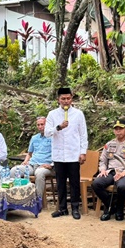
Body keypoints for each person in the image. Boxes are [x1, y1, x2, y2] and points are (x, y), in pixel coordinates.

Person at [44, 87, 88, 219]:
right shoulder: (52, 114)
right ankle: (62, 208)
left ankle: (75, 207)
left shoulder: (78, 114)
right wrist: (59, 127)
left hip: (73, 154)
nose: (66, 101)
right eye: (63, 98)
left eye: (68, 98)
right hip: (58, 155)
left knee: (74, 183)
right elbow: (47, 133)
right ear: (58, 99)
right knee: (60, 183)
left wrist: (83, 152)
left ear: (72, 99)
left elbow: (83, 134)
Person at [92, 119, 125, 221]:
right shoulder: (109, 144)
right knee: (96, 183)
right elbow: (103, 160)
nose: (118, 131)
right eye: (116, 129)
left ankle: (119, 209)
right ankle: (111, 204)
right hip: (110, 172)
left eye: (121, 129)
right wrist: (103, 170)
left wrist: (124, 173)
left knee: (123, 186)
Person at [10, 116, 53, 198]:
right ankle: (15, 197)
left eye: (42, 124)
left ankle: (37, 200)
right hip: (32, 165)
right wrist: (25, 161)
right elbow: (29, 153)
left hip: (45, 166)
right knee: (14, 170)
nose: (40, 126)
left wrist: (51, 165)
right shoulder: (34, 138)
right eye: (38, 125)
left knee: (39, 173)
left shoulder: (53, 137)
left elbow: (58, 153)